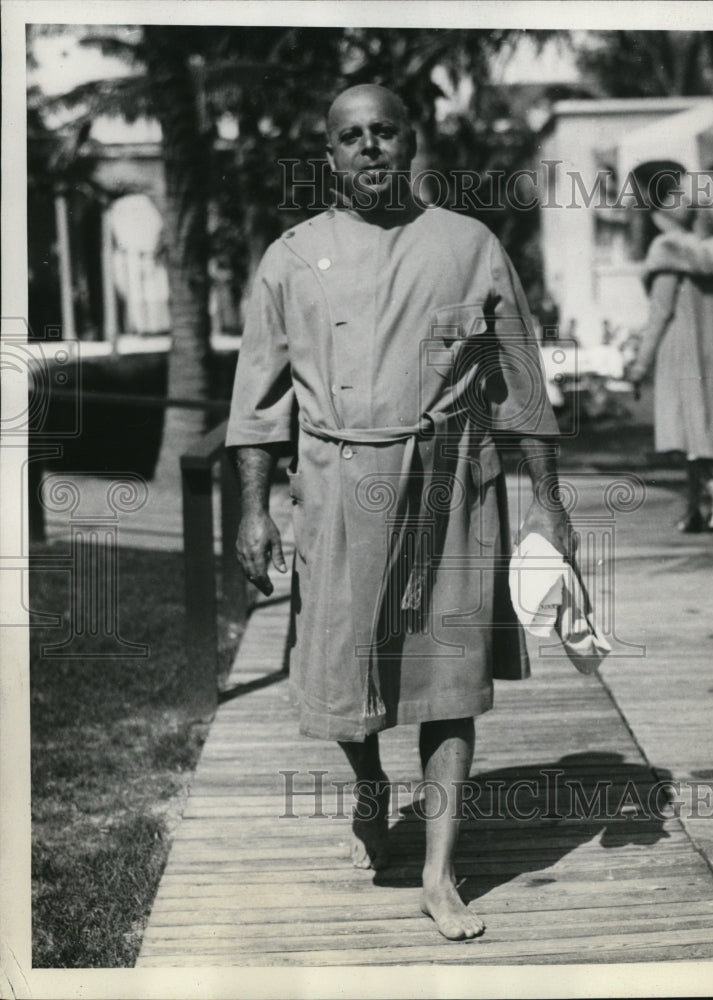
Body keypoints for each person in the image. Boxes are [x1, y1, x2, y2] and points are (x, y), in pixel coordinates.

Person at [226, 84, 571, 940]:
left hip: (449, 486)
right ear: (330, 155)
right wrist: (254, 511)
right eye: (351, 137)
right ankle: (371, 783)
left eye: (385, 132)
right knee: (347, 674)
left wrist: (550, 506)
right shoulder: (293, 257)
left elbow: (523, 386)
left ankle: (438, 870)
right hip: (337, 486)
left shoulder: (468, 244)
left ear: (412, 142)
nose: (370, 148)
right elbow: (256, 405)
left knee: (448, 685)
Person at [626, 189, 713, 533]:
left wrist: (641, 364)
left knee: (685, 434)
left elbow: (660, 312)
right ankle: (695, 512)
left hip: (681, 350)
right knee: (704, 435)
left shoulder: (667, 251)